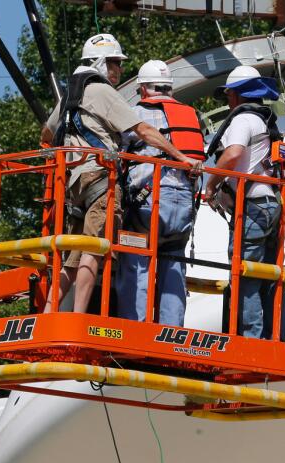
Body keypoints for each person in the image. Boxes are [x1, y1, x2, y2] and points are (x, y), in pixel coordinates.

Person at [40, 34, 201, 314]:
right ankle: (78, 317)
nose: (119, 70)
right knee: (94, 250)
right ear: (101, 62)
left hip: (73, 184)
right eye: (115, 63)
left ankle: (48, 313)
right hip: (100, 182)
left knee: (71, 257)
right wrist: (181, 158)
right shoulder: (102, 92)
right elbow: (144, 131)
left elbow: (47, 133)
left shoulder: (70, 95)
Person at [115, 60, 206, 327]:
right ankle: (172, 329)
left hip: (149, 201)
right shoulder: (192, 115)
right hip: (183, 206)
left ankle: (135, 328)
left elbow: (115, 148)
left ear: (143, 89)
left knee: (136, 261)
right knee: (173, 265)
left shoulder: (136, 114)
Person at [203, 65, 285, 339]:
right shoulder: (266, 123)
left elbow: (233, 154)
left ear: (238, 95)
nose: (228, 101)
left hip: (252, 207)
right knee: (266, 274)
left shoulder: (243, 121)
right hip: (273, 207)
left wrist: (211, 183)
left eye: (229, 95)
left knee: (245, 274)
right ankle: (271, 335)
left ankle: (250, 337)